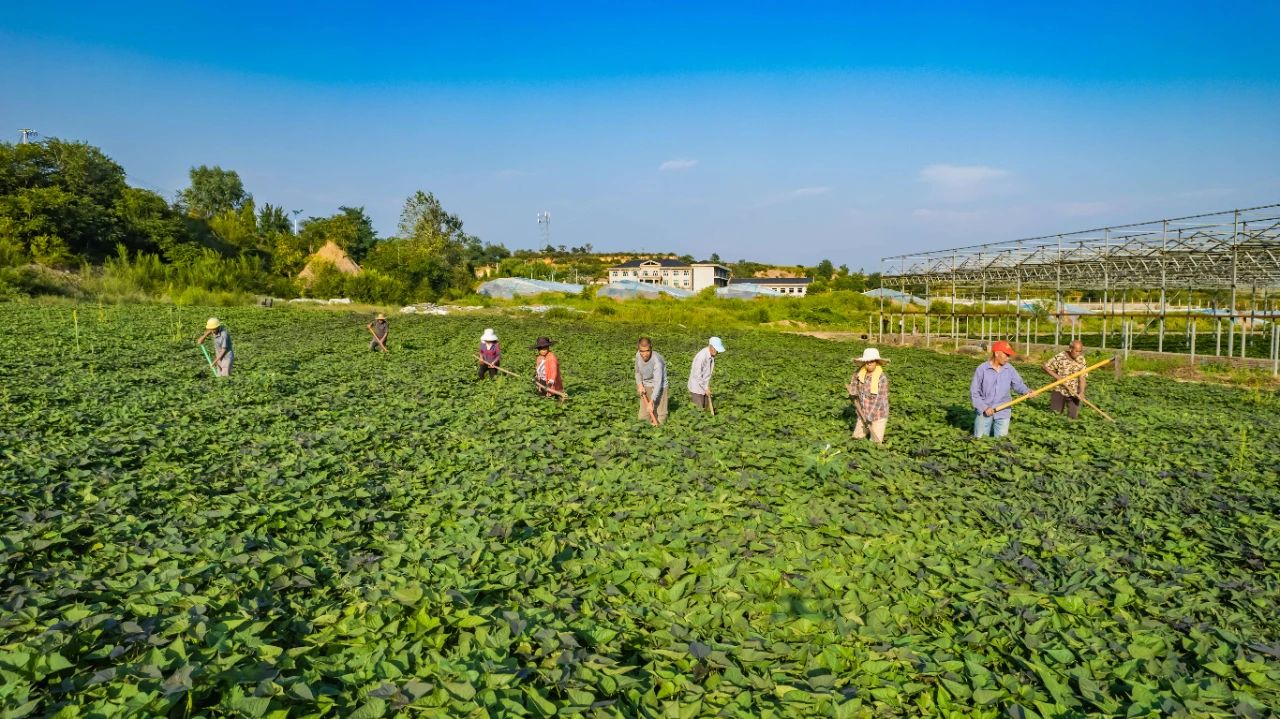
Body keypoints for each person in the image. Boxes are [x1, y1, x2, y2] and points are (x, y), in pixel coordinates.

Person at [970, 340, 1031, 438]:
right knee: (980, 440)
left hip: (1003, 410)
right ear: (997, 353)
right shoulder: (982, 369)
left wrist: (1027, 391)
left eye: (1009, 355)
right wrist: (984, 407)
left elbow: (1018, 384)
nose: (1008, 358)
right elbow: (974, 392)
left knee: (1001, 444)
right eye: (1006, 355)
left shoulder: (1010, 369)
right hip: (984, 410)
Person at [847, 348, 889, 443]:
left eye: (872, 361)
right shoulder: (859, 373)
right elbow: (853, 382)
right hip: (863, 411)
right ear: (864, 362)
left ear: (876, 362)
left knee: (875, 443)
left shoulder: (882, 378)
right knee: (856, 439)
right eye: (867, 361)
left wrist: (869, 417)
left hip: (879, 414)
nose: (869, 363)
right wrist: (853, 393)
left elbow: (879, 400)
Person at [1043, 340, 1087, 419]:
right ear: (1070, 348)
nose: (1078, 354)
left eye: (1080, 351)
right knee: (1055, 415)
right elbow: (1045, 367)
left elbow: (1082, 377)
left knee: (1073, 417)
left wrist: (1082, 392)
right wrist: (1058, 378)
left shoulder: (1081, 359)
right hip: (1059, 390)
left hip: (1073, 392)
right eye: (1076, 351)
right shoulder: (1060, 357)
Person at [634, 337, 668, 425]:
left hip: (660, 386)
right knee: (643, 418)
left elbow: (658, 383)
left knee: (661, 415)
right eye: (642, 351)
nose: (644, 354)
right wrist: (640, 385)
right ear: (638, 349)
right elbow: (637, 371)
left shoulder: (657, 361)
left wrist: (652, 401)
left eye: (647, 351)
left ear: (651, 348)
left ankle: (660, 428)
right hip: (646, 384)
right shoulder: (638, 355)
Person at [688, 336, 725, 410]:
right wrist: (705, 388)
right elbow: (697, 375)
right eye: (716, 349)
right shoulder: (702, 356)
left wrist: (707, 387)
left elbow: (706, 373)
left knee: (706, 408)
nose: (717, 352)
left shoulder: (711, 356)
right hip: (697, 388)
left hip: (704, 387)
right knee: (698, 410)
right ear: (711, 346)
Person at [532, 336, 564, 401]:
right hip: (542, 379)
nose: (543, 350)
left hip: (549, 380)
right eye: (541, 349)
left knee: (550, 394)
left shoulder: (551, 358)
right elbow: (538, 368)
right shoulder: (539, 357)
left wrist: (550, 382)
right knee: (541, 394)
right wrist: (536, 375)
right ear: (538, 349)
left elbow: (553, 371)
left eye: (545, 348)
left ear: (548, 348)